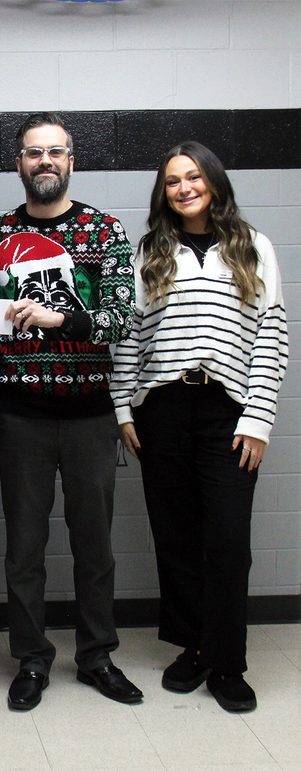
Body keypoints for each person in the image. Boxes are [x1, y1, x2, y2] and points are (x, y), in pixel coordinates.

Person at [0, 112, 141, 711]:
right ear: (18, 163)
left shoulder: (104, 232)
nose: (44, 161)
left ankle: (97, 656)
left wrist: (58, 317)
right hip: (20, 414)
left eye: (55, 152)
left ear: (71, 161)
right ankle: (32, 660)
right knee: (24, 545)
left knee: (94, 544)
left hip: (91, 414)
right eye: (32, 152)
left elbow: (121, 319)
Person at [111, 142, 288, 713]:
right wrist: (122, 408)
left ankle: (227, 662)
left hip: (228, 413)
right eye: (172, 181)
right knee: (178, 538)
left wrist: (258, 419)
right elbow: (129, 335)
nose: (183, 188)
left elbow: (272, 335)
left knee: (229, 543)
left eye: (193, 177)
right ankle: (192, 649)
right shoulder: (150, 251)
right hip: (161, 409)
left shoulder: (252, 245)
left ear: (213, 181)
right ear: (163, 193)